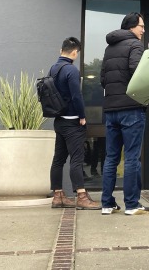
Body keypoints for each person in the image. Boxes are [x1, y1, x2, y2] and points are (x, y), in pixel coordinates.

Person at [99, 12, 149, 215]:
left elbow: (103, 78)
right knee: (131, 158)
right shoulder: (135, 45)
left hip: (111, 109)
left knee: (111, 157)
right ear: (132, 27)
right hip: (131, 108)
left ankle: (107, 203)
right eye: (141, 26)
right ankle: (132, 204)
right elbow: (137, 72)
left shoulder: (109, 48)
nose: (143, 29)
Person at [49, 37, 101, 210]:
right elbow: (76, 96)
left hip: (59, 121)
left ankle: (58, 196)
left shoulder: (53, 69)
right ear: (74, 52)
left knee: (58, 160)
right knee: (77, 160)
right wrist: (82, 116)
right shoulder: (71, 70)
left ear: (60, 50)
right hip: (72, 122)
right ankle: (81, 196)